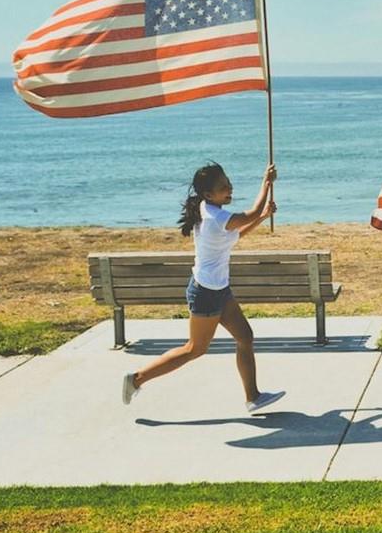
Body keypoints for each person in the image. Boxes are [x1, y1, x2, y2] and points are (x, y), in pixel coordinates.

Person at [122, 161, 284, 412]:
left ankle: (253, 397)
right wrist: (266, 183)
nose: (229, 189)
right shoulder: (215, 216)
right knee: (194, 349)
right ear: (208, 194)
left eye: (228, 183)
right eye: (222, 187)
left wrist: (263, 217)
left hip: (219, 289)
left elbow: (236, 234)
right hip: (206, 293)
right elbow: (249, 214)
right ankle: (136, 379)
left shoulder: (209, 209)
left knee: (245, 337)